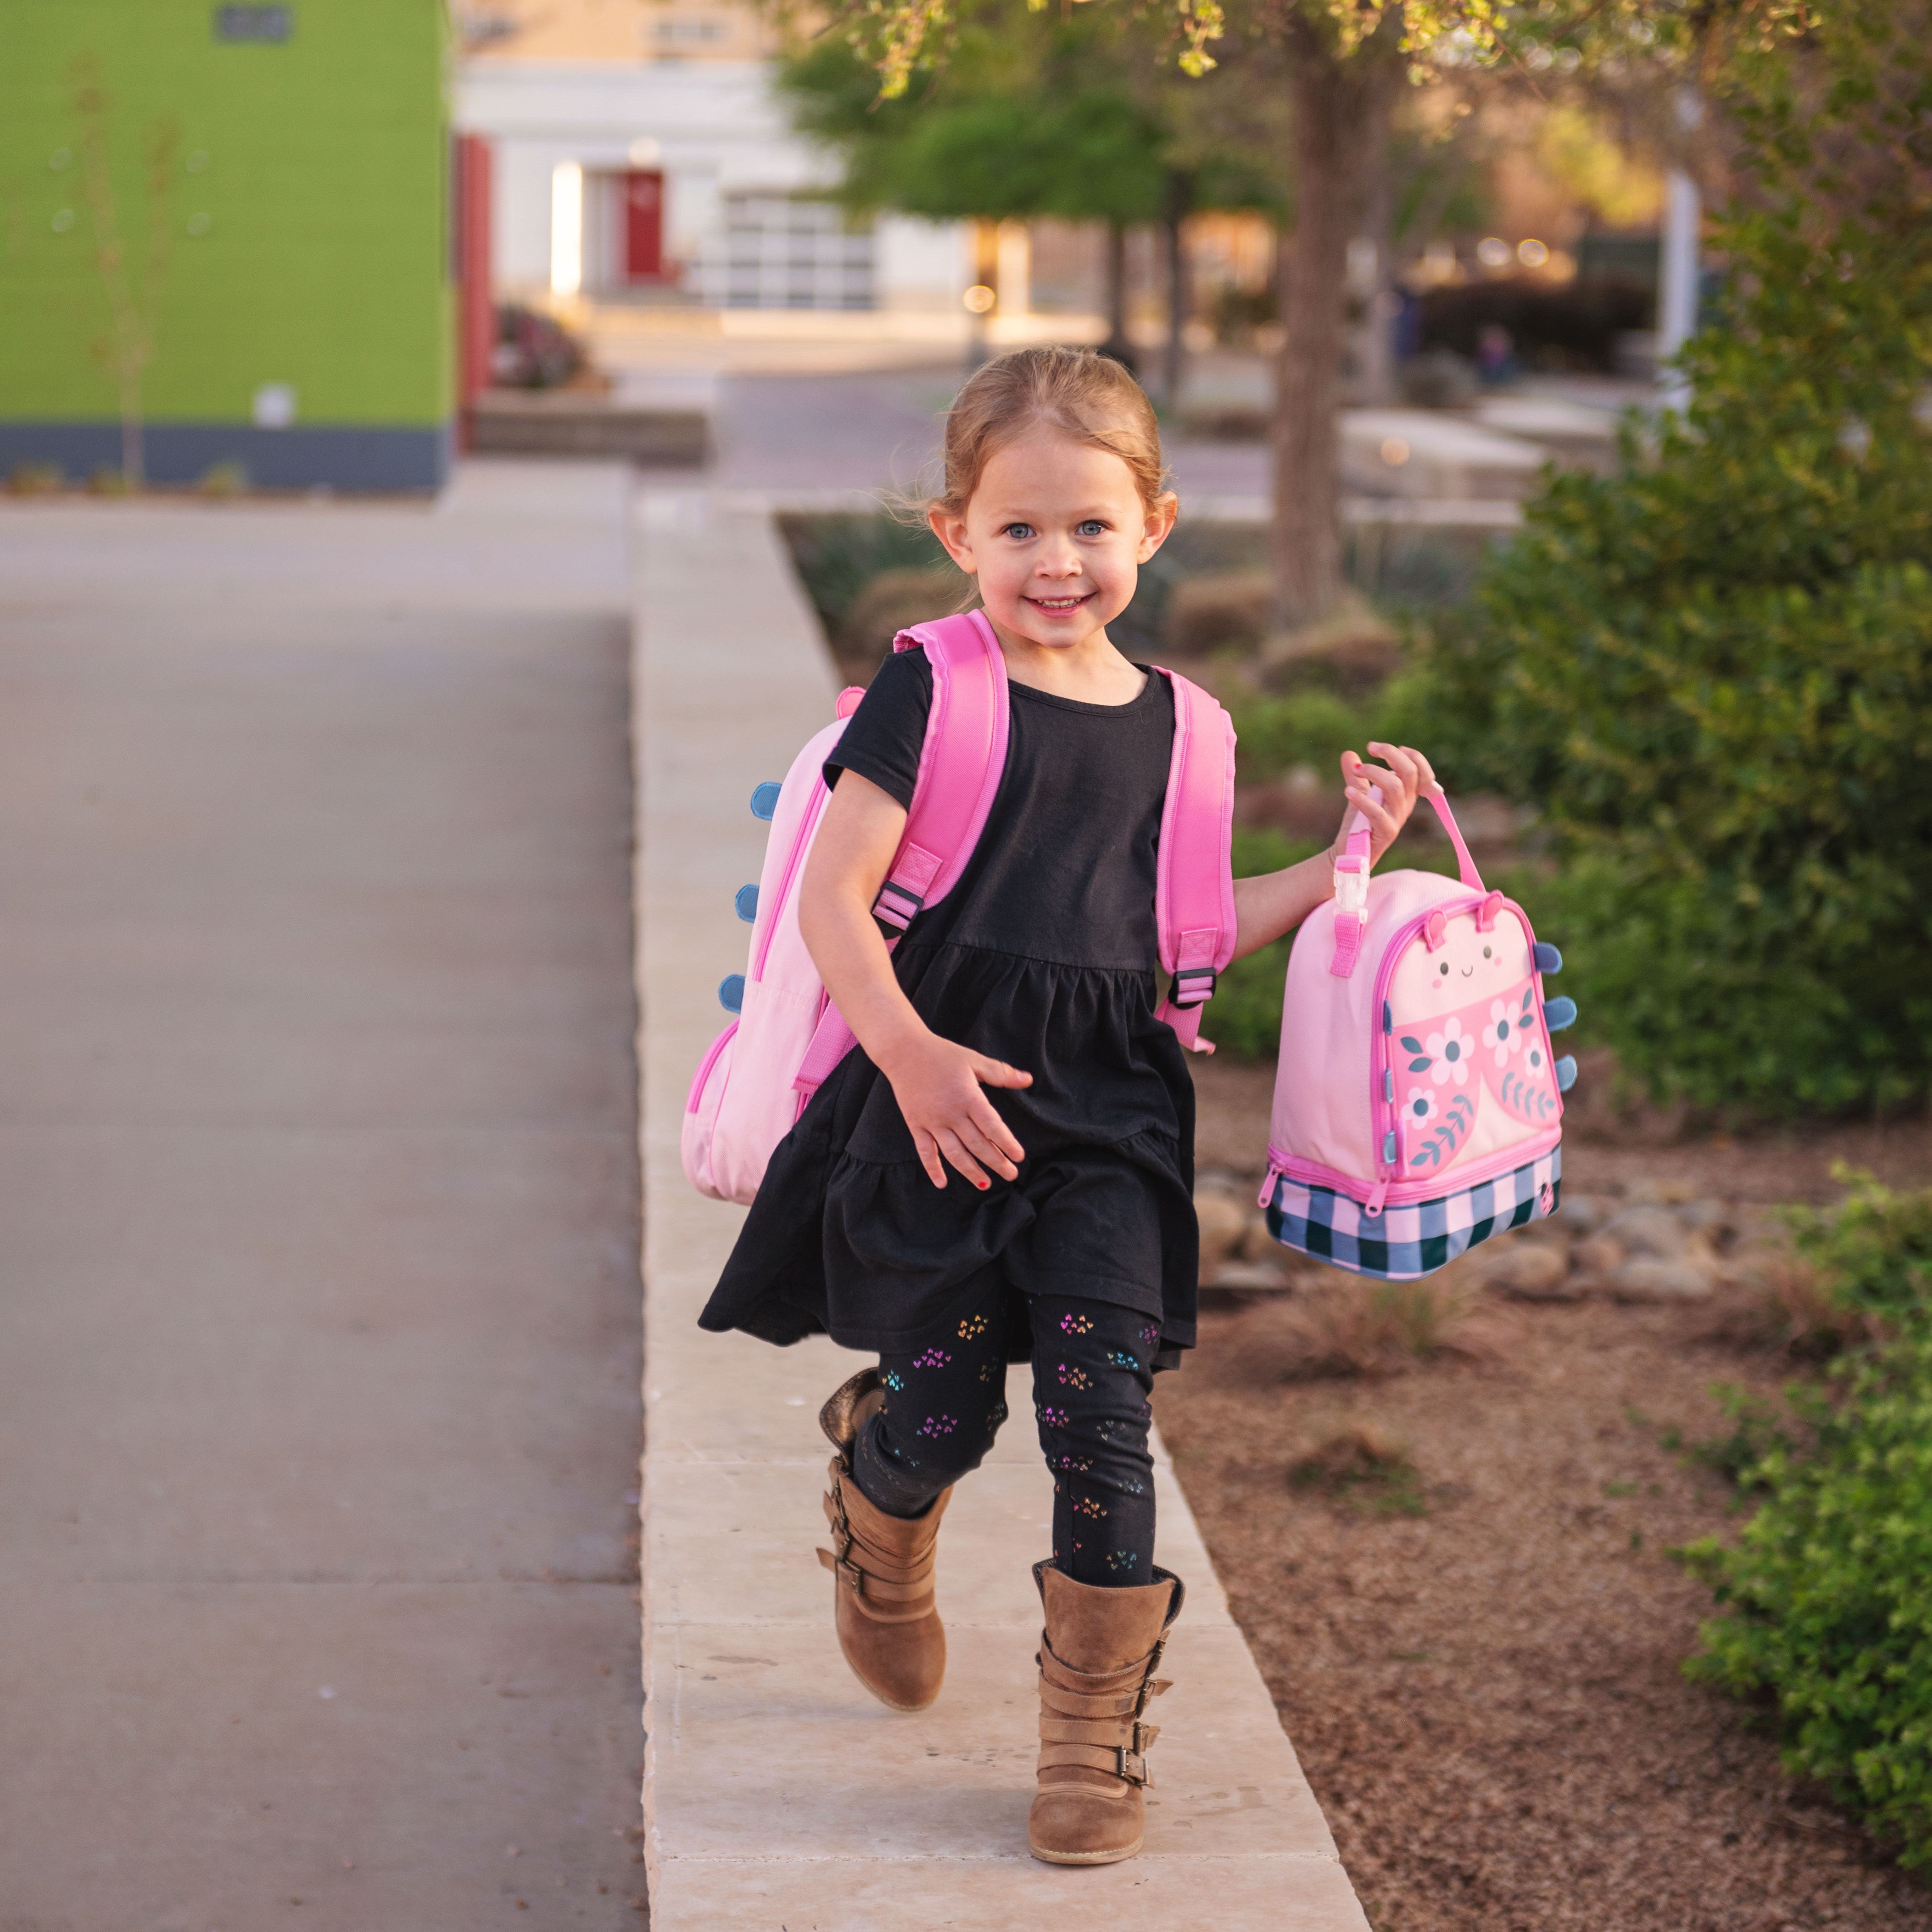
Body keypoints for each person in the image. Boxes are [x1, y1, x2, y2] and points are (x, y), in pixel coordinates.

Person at [698, 345, 1435, 1866]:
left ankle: (1092, 1743)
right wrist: (906, 1056)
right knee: (956, 1411)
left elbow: (1183, 925)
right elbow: (840, 900)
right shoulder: (933, 684)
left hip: (1109, 1109)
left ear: (1154, 526)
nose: (1057, 561)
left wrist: (1348, 858)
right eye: (1019, 528)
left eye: (1092, 527)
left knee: (1105, 1417)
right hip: (937, 1089)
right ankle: (881, 1499)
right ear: (956, 531)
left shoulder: (1190, 725)